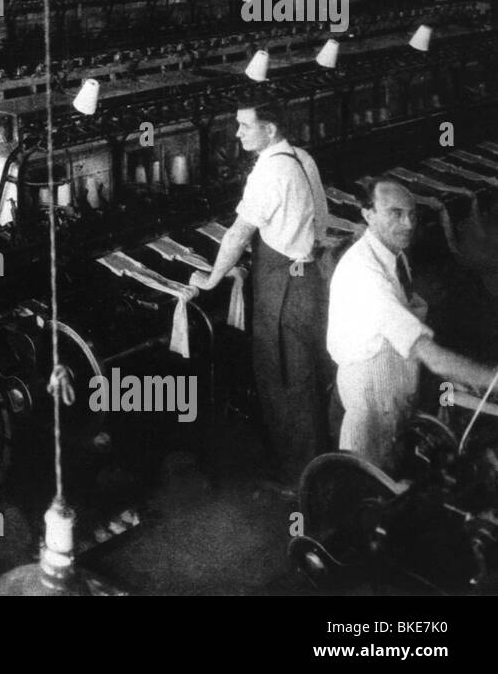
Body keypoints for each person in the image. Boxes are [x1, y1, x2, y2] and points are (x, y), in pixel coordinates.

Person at [190, 96, 332, 487]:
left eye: (245, 126)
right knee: (310, 376)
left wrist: (212, 278)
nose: (237, 133)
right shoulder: (303, 158)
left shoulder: (268, 172)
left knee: (285, 380)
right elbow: (322, 218)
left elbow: (238, 234)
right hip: (310, 281)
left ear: (269, 130)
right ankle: (322, 465)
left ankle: (299, 479)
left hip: (283, 288)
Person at [327, 178, 495, 473]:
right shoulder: (364, 274)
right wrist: (490, 379)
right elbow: (427, 353)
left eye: (412, 214)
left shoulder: (395, 256)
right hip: (371, 392)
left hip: (396, 378)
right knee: (369, 484)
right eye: (395, 213)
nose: (408, 224)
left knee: (398, 468)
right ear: (368, 214)